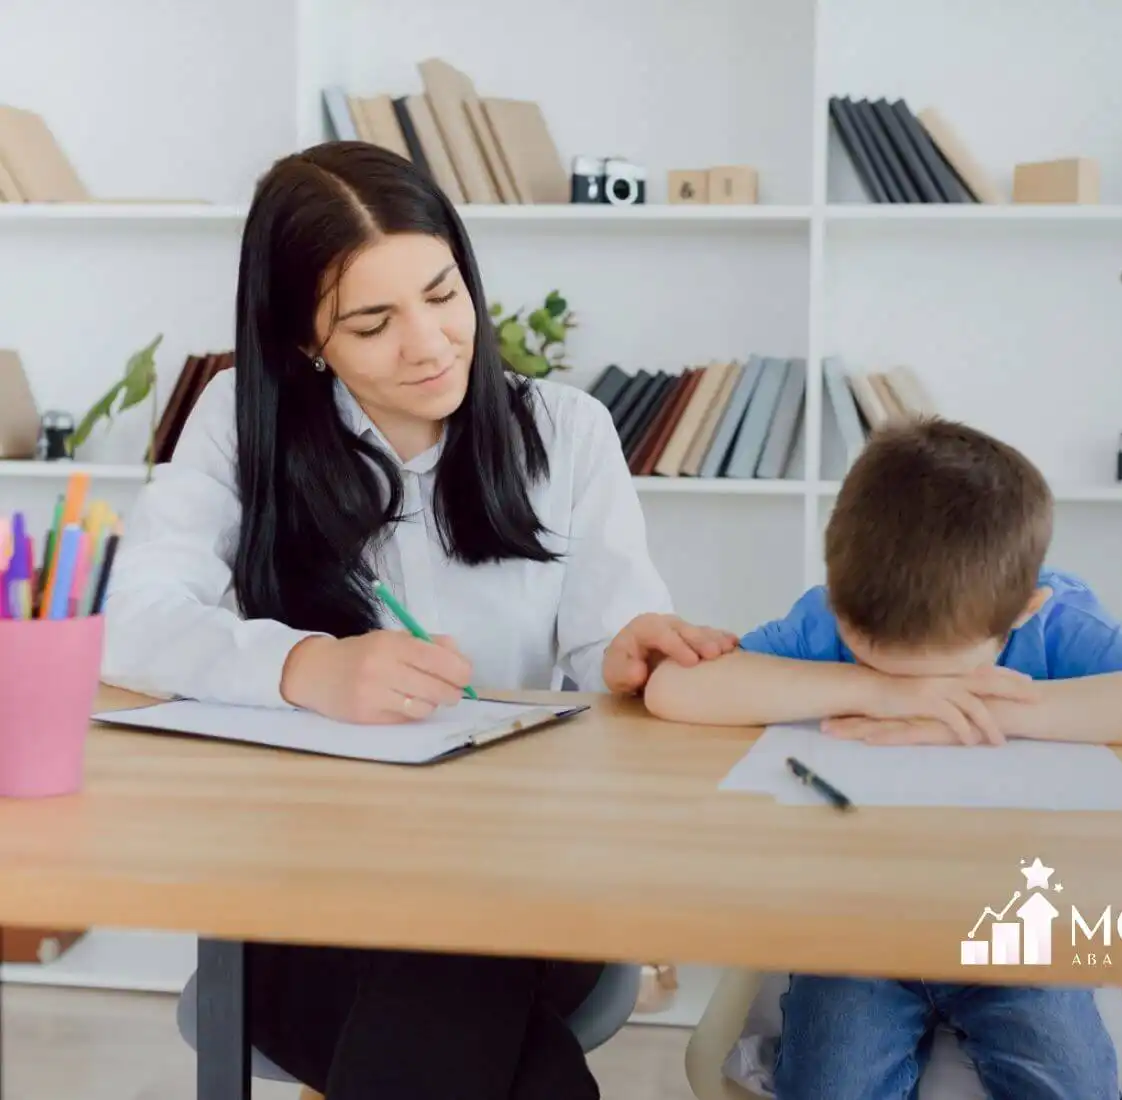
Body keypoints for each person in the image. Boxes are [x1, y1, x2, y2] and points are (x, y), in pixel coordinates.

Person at [99, 141, 736, 1100]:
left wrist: (629, 648)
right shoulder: (244, 419)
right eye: (373, 323)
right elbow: (133, 622)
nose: (431, 343)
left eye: (443, 294)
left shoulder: (564, 432)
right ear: (308, 341)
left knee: (450, 938)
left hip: (525, 887)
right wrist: (307, 666)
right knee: (506, 1046)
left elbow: (606, 635)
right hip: (305, 894)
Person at [642, 417, 1122, 1100]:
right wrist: (878, 691)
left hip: (1019, 930)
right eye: (878, 661)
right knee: (827, 1082)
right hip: (856, 929)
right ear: (839, 604)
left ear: (1023, 611)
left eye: (940, 673)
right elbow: (676, 687)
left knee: (1068, 1080)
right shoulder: (831, 616)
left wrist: (1000, 708)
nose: (916, 688)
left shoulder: (1053, 620)